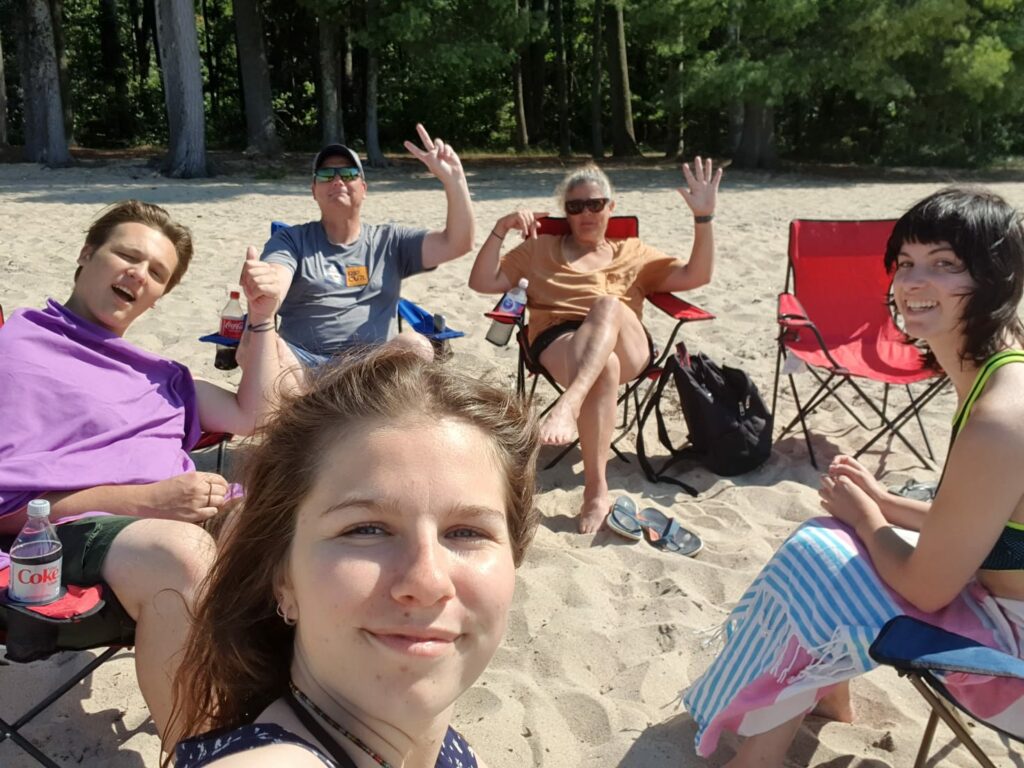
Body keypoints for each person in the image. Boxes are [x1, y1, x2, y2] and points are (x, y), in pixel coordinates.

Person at [684, 187, 1024, 766]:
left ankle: (760, 754)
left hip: (1009, 659)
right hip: (998, 598)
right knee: (828, 542)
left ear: (996, 278)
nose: (914, 282)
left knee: (823, 560)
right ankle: (825, 699)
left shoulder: (1000, 418)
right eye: (907, 263)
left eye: (945, 264)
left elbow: (927, 588)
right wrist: (885, 502)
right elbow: (989, 529)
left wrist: (867, 517)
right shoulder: (1000, 370)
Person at [0, 200, 296, 744]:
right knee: (181, 552)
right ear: (87, 254)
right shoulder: (17, 352)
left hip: (186, 522)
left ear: (158, 298)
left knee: (300, 532)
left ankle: (292, 724)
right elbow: (12, 515)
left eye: (157, 273)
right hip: (65, 547)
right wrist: (149, 501)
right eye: (128, 256)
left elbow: (257, 415)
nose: (139, 274)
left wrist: (261, 316)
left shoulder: (157, 375)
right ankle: (201, 752)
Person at [167, 346, 540, 767]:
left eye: (467, 532)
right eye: (365, 529)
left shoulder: (450, 751)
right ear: (282, 576)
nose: (427, 580)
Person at [468, 159, 722, 533]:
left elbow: (697, 275)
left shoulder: (632, 251)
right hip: (561, 339)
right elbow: (482, 282)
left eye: (595, 204)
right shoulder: (539, 249)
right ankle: (596, 491)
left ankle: (569, 404)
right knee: (604, 366)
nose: (586, 213)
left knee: (608, 305)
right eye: (575, 206)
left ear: (610, 207)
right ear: (566, 212)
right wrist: (501, 229)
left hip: (626, 339)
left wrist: (704, 218)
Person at [260, 124, 474, 366]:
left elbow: (457, 243)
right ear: (314, 190)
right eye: (326, 175)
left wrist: (454, 180)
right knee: (261, 346)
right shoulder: (291, 240)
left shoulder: (390, 242)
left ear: (363, 189)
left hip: (373, 370)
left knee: (417, 345)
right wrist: (265, 284)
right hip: (303, 367)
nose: (337, 180)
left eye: (348, 174)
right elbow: (275, 280)